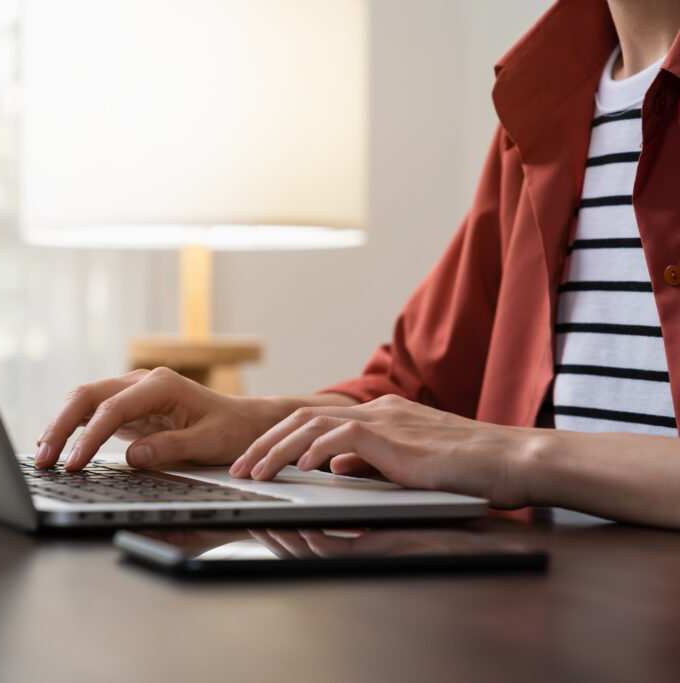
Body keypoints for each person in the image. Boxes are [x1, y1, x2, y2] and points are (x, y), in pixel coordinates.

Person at [35, 0, 680, 529]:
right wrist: (245, 421)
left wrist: (518, 454)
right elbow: (418, 393)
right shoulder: (544, 99)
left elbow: (468, 441)